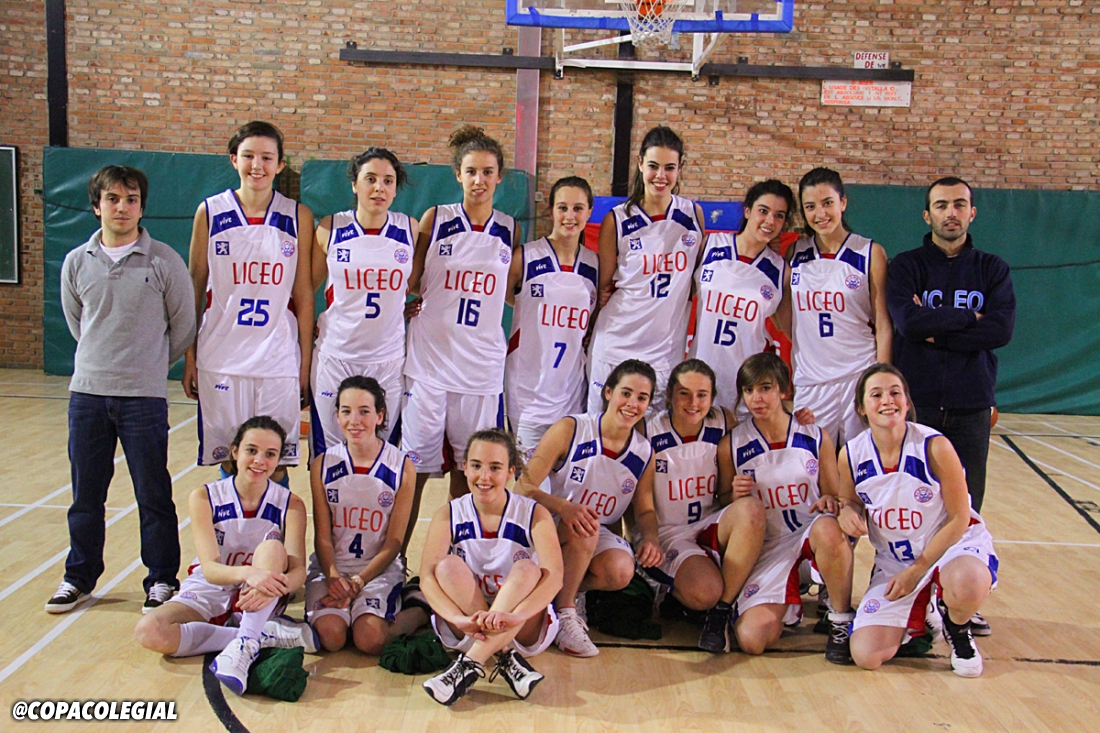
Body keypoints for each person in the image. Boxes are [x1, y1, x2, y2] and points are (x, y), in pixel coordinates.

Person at [49, 165, 196, 615]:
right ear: (97, 206)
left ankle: (162, 579)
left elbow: (183, 326)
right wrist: (103, 362)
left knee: (153, 493)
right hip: (88, 394)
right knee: (86, 495)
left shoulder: (164, 261)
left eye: (131, 199)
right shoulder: (77, 261)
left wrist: (147, 366)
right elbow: (79, 324)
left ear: (141, 207)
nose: (122, 207)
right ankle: (78, 577)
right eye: (112, 199)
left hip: (143, 399)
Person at [134, 417, 317, 696]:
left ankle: (246, 641)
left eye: (270, 454)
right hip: (213, 585)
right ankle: (261, 636)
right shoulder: (204, 497)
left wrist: (273, 584)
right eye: (251, 450)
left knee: (271, 549)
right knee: (149, 631)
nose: (259, 461)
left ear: (279, 460)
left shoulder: (291, 504)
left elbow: (298, 572)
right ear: (235, 451)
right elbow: (210, 569)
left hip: (260, 595)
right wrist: (248, 572)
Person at [838, 364, 998, 677]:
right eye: (876, 394)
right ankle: (924, 618)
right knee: (866, 655)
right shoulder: (851, 454)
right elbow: (850, 501)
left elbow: (959, 517)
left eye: (895, 392)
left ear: (907, 402)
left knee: (968, 582)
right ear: (861, 408)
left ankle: (957, 627)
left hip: (951, 548)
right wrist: (846, 511)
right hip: (896, 561)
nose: (888, 400)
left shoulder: (934, 446)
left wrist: (918, 569)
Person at [182, 120, 315, 481]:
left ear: (280, 165)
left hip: (277, 358)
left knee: (275, 460)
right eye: (249, 156)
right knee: (231, 458)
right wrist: (190, 356)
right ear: (234, 160)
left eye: (267, 157)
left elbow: (303, 294)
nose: (257, 165)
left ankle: (274, 520)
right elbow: (195, 287)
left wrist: (304, 365)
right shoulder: (210, 211)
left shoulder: (298, 215)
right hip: (222, 357)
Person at [403, 125, 516, 518]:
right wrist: (404, 305)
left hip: (479, 369)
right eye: (471, 172)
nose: (479, 180)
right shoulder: (435, 219)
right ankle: (398, 552)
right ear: (458, 174)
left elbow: (513, 292)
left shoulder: (510, 228)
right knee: (414, 472)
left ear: (499, 176)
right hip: (430, 363)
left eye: (487, 172)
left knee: (469, 473)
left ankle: (461, 547)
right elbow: (411, 280)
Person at [886, 176, 1015, 517]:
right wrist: (971, 317)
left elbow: (1000, 330)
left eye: (959, 204)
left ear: (972, 212)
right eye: (941, 205)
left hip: (971, 406)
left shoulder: (993, 269)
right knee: (910, 505)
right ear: (927, 215)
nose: (951, 213)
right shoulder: (905, 266)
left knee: (967, 509)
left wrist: (935, 329)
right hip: (917, 404)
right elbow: (909, 323)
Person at [517, 359, 663, 658]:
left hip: (589, 531)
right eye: (626, 393)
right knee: (585, 524)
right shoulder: (571, 428)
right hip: (550, 522)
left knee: (621, 570)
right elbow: (523, 487)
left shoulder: (644, 452)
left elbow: (645, 511)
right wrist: (564, 507)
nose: (632, 404)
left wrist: (651, 538)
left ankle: (563, 593)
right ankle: (566, 611)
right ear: (608, 392)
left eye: (642, 398)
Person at [719, 353, 856, 663]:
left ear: (783, 390)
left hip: (810, 539)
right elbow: (723, 503)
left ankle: (840, 620)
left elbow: (835, 495)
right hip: (769, 548)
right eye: (749, 390)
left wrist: (829, 502)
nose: (756, 398)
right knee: (751, 640)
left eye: (765, 388)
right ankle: (788, 600)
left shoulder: (815, 435)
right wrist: (733, 495)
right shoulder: (732, 444)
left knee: (828, 528)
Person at [419, 429, 563, 706]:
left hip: (520, 625)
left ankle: (468, 664)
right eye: (476, 466)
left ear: (510, 472)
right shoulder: (449, 513)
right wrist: (455, 617)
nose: (484, 477)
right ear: (464, 467)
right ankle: (506, 658)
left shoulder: (534, 513)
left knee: (528, 569)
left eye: (495, 467)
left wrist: (516, 616)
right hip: (468, 626)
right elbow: (426, 577)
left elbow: (555, 578)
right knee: (446, 566)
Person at [640, 360, 767, 653]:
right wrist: (648, 537)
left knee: (751, 509)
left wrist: (797, 419)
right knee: (705, 591)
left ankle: (719, 613)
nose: (693, 403)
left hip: (709, 523)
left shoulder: (723, 420)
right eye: (684, 393)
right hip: (669, 532)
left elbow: (766, 433)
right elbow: (641, 502)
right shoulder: (647, 428)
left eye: (702, 395)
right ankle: (673, 592)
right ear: (670, 395)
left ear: (712, 397)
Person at [586, 126, 705, 413]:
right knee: (602, 430)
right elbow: (603, 288)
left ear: (680, 168)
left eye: (669, 168)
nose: (660, 176)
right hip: (616, 342)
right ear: (640, 163)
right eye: (653, 166)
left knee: (653, 435)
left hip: (664, 352)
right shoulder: (617, 220)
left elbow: (695, 280)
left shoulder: (693, 215)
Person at [307, 376, 429, 653]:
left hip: (378, 569)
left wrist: (360, 581)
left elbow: (394, 543)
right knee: (331, 637)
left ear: (380, 416)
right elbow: (322, 537)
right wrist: (334, 577)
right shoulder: (322, 464)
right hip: (332, 567)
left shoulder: (401, 466)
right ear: (337, 416)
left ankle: (418, 609)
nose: (355, 421)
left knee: (370, 639)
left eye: (364, 411)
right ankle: (350, 611)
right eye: (346, 411)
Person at [310, 149, 416, 454]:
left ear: (395, 189)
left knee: (381, 454)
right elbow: (306, 288)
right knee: (329, 455)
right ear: (354, 184)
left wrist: (413, 306)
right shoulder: (330, 228)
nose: (379, 188)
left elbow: (421, 281)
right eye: (370, 179)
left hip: (387, 359)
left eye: (388, 181)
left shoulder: (410, 228)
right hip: (336, 356)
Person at [779, 167, 891, 447]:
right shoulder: (794, 253)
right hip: (812, 381)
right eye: (810, 206)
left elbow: (883, 324)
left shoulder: (870, 252)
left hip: (859, 376)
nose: (820, 213)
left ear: (843, 202)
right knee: (810, 463)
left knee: (862, 462)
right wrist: (810, 342)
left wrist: (883, 379)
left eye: (827, 202)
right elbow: (787, 318)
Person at [505, 176, 599, 459]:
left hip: (571, 390)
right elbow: (504, 296)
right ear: (551, 211)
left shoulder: (595, 263)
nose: (570, 216)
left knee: (566, 476)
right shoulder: (525, 256)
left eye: (578, 208)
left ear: (589, 212)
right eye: (562, 207)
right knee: (530, 476)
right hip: (528, 390)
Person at [688, 180, 791, 419]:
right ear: (747, 211)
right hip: (699, 376)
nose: (770, 221)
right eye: (763, 211)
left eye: (779, 215)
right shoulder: (710, 246)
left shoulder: (781, 271)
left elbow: (792, 330)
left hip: (745, 386)